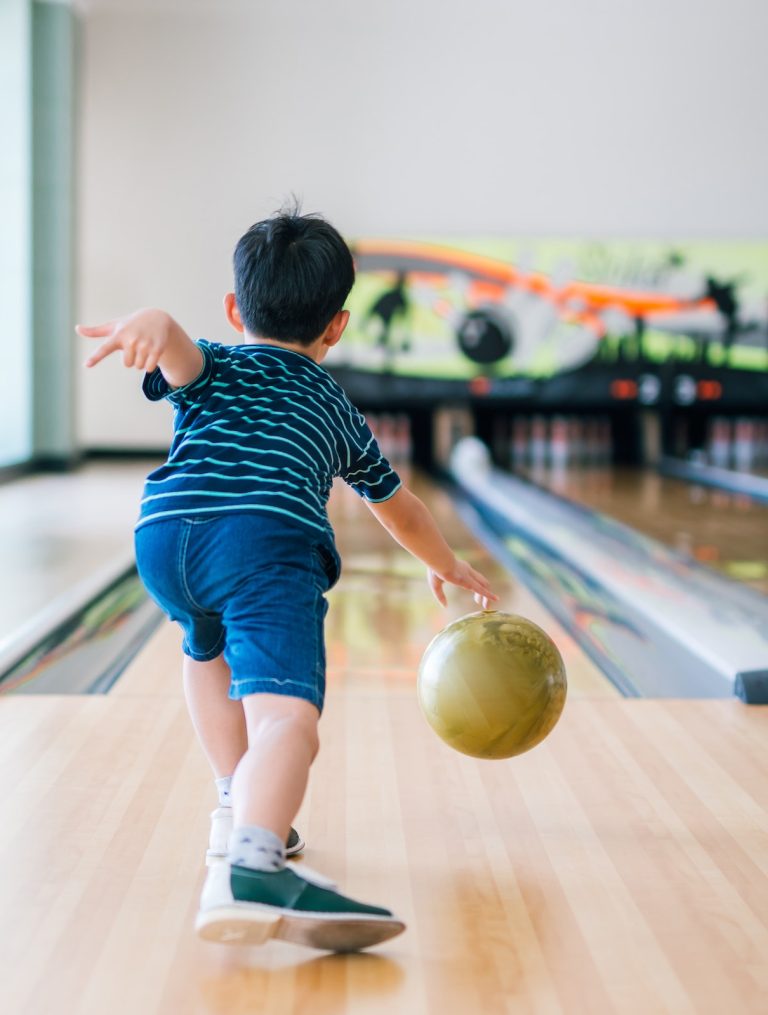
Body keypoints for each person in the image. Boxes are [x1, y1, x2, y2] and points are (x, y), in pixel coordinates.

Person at [77, 208, 497, 952]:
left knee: (202, 646)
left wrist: (151, 321)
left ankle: (237, 802)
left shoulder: (215, 364)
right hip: (263, 542)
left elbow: (172, 346)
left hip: (165, 536)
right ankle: (255, 864)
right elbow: (398, 509)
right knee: (288, 721)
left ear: (236, 309)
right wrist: (448, 565)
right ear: (336, 327)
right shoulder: (335, 408)